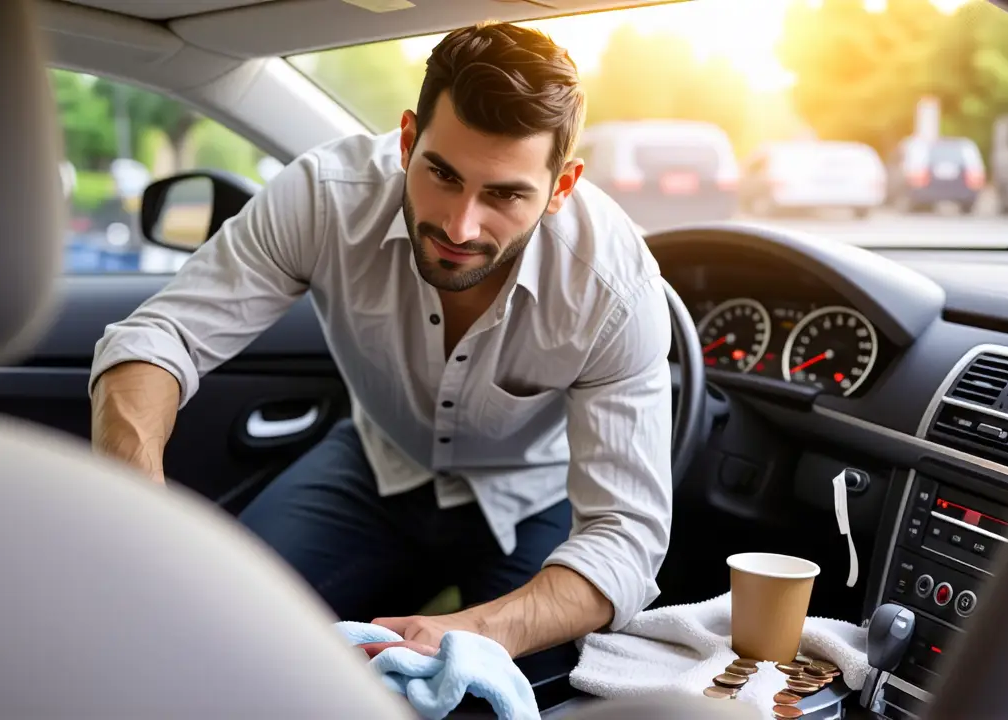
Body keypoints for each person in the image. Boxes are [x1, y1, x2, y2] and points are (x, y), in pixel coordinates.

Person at [89, 22, 673, 665]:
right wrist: (134, 511)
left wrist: (482, 632)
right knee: (212, 632)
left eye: (505, 194)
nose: (460, 225)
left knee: (521, 694)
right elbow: (161, 335)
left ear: (561, 187)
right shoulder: (323, 198)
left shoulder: (616, 290)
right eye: (443, 175)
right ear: (407, 140)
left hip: (534, 498)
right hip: (374, 464)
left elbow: (625, 536)